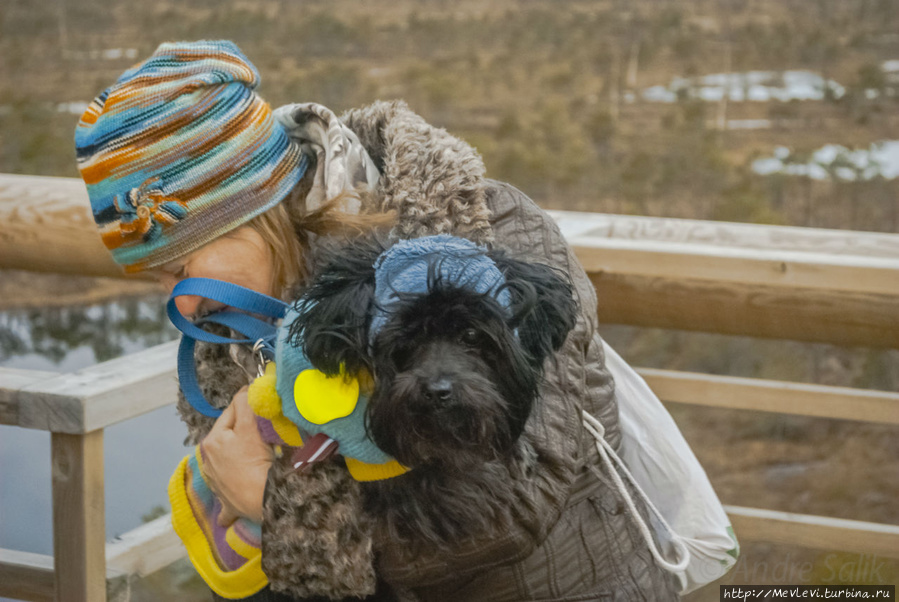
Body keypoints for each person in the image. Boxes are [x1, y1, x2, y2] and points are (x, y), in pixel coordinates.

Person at [75, 41, 680, 601]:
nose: (180, 303)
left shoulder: (491, 232)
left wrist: (277, 509)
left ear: (255, 207)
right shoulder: (233, 331)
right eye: (158, 276)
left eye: (182, 264)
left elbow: (518, 508)